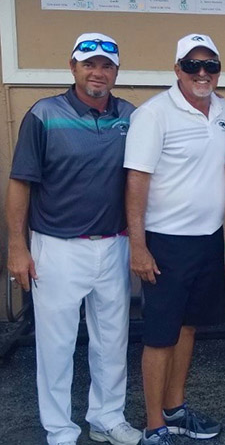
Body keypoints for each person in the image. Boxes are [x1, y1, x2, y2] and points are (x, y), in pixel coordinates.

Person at [5, 32, 142, 445]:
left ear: (116, 71)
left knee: (112, 340)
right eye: (89, 64)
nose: (97, 72)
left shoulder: (130, 116)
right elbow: (20, 184)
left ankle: (106, 418)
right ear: (73, 67)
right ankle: (60, 430)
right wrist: (16, 247)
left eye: (106, 65)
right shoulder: (44, 114)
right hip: (57, 247)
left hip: (113, 243)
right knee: (56, 345)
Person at [124, 33, 225, 445]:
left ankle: (175, 408)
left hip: (207, 238)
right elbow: (136, 181)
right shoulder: (154, 114)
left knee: (188, 327)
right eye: (193, 65)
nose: (202, 73)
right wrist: (138, 245)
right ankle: (154, 425)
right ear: (177, 70)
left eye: (210, 66)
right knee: (159, 336)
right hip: (164, 242)